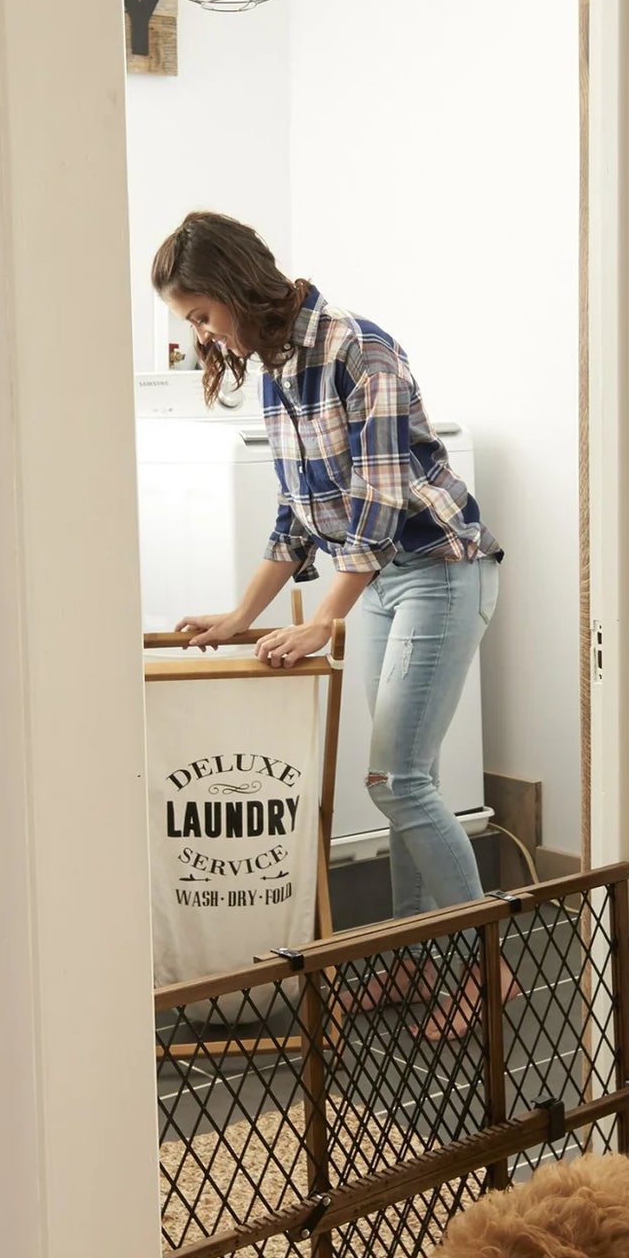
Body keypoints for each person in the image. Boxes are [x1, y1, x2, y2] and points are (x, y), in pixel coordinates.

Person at [153, 210, 511, 1033]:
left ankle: (484, 970)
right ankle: (417, 960)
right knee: (394, 786)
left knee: (399, 779)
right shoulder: (279, 365)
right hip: (380, 579)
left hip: (437, 570)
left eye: (201, 315)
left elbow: (381, 499)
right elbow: (297, 509)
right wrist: (240, 615)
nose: (204, 336)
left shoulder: (358, 346)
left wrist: (321, 620)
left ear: (237, 287)